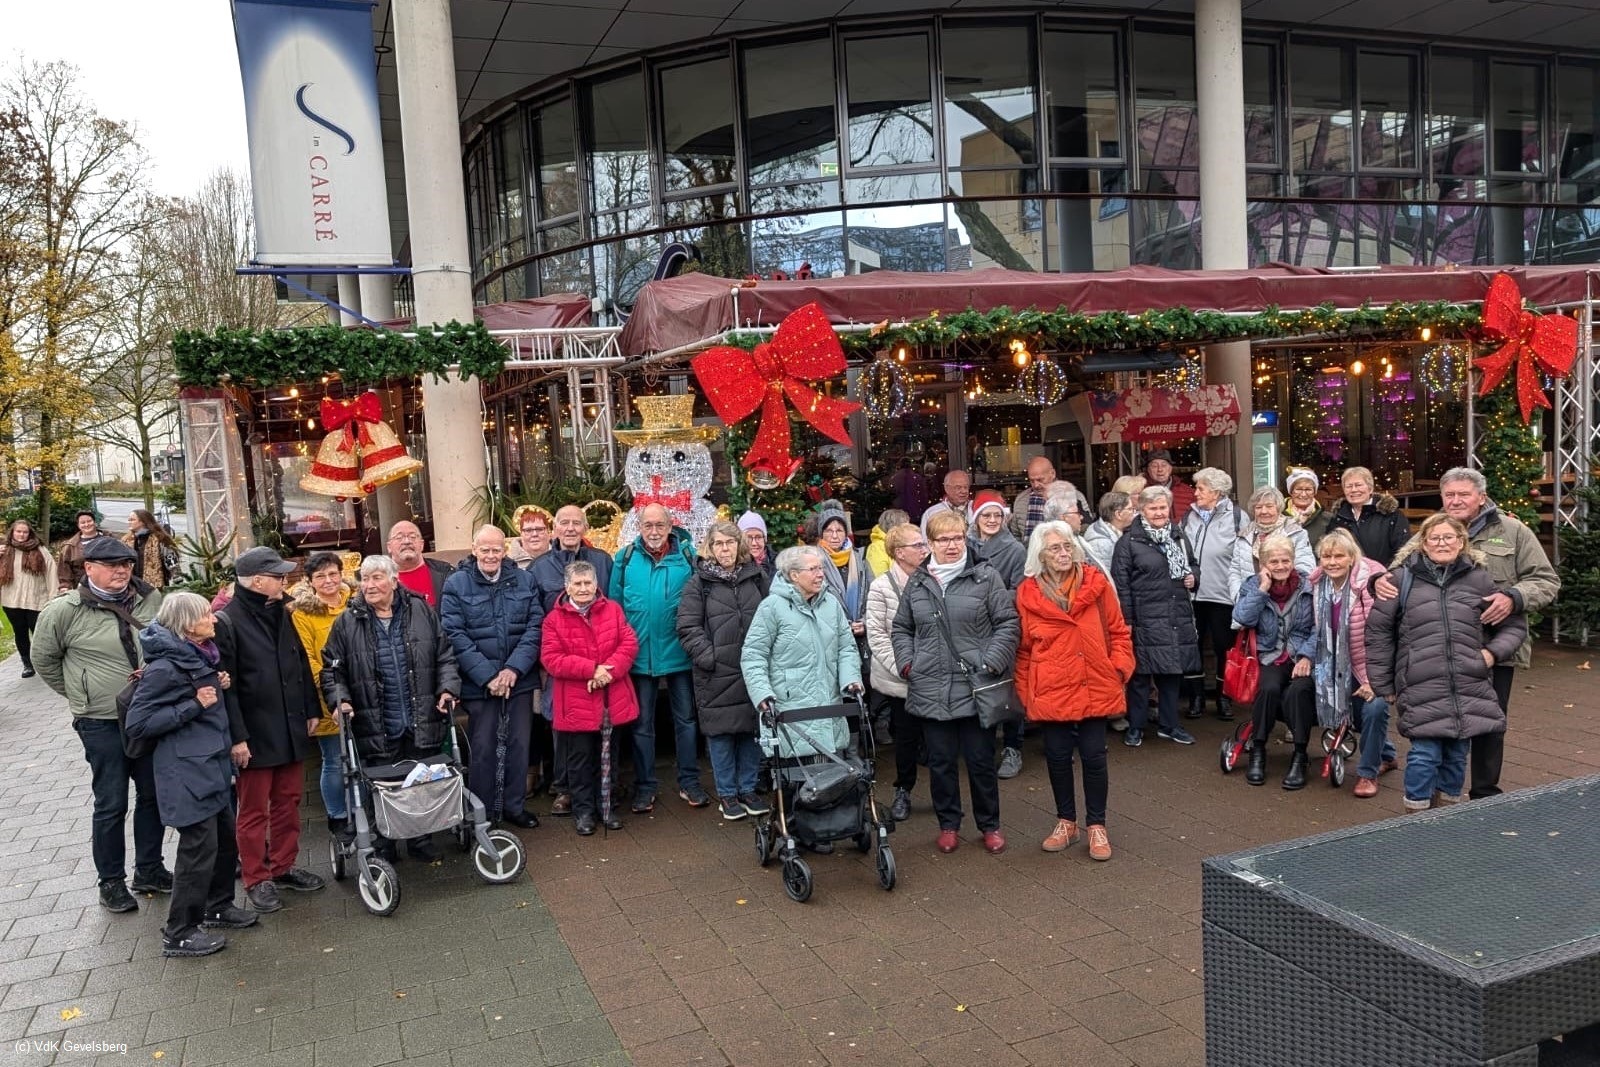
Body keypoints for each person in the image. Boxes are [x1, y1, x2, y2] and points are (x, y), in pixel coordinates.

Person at [1374, 467, 1558, 800]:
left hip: (1496, 649)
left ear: (1481, 497)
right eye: (1449, 495)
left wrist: (1514, 597)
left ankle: (1484, 794)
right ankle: (1441, 793)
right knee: (1440, 726)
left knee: (1488, 723)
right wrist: (1378, 582)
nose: (1456, 500)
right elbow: (1397, 574)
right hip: (1439, 650)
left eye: (1464, 494)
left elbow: (1546, 581)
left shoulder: (1513, 531)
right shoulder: (1432, 531)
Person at [32, 536, 170, 914]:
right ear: (89, 568)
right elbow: (44, 661)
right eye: (112, 565)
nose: (121, 571)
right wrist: (82, 696)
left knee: (152, 796)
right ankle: (111, 882)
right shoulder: (64, 610)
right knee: (111, 803)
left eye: (126, 564)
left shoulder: (148, 598)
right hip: (101, 721)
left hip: (146, 715)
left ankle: (150, 869)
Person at [124, 592, 257, 957]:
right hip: (186, 775)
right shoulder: (166, 667)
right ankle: (179, 931)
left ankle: (218, 906)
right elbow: (139, 722)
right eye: (206, 616)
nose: (214, 620)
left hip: (210, 768)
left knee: (224, 842)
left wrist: (216, 684)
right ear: (186, 625)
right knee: (197, 853)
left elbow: (202, 689)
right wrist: (194, 704)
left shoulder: (199, 655)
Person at [1366, 514, 1528, 812]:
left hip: (1468, 682)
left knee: (1456, 755)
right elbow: (1378, 635)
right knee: (1424, 753)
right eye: (1434, 538)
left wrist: (1491, 654)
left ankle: (1448, 815)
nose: (1442, 543)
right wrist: (1383, 684)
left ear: (1461, 542)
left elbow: (1514, 626)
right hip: (1421, 683)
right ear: (1423, 544)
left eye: (1449, 537)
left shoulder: (1479, 579)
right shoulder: (1400, 580)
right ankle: (1415, 814)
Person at [891, 512, 1019, 856]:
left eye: (957, 538)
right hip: (930, 686)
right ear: (929, 544)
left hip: (976, 685)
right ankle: (949, 824)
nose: (951, 545)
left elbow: (1007, 623)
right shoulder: (917, 583)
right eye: (943, 540)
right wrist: (908, 663)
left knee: (980, 761)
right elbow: (901, 628)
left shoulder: (985, 577)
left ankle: (989, 825)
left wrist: (992, 660)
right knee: (941, 763)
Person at [321, 555, 462, 856]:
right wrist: (340, 700)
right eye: (364, 579)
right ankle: (383, 842)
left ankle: (420, 839)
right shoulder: (347, 621)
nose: (369, 585)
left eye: (376, 578)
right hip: (376, 721)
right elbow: (332, 670)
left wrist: (448, 688)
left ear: (394, 582)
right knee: (381, 784)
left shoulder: (421, 611)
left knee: (418, 782)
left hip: (420, 716)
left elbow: (444, 655)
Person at [1015, 522, 1133, 860]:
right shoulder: (1027, 593)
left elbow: (1118, 631)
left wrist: (1119, 667)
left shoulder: (1096, 585)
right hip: (1051, 686)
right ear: (1040, 554)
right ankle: (1066, 822)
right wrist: (1026, 691)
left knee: (1095, 756)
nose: (1063, 553)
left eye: (1067, 546)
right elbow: (1023, 649)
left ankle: (1097, 825)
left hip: (1094, 681)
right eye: (1055, 548)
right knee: (1057, 757)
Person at [217, 547, 325, 914]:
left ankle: (282, 866)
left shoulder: (281, 610)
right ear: (257, 581)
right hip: (255, 734)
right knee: (253, 811)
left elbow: (299, 662)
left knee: (289, 801)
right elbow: (225, 688)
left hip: (290, 724)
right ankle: (256, 878)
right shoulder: (226, 621)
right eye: (279, 576)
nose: (285, 580)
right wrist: (237, 737)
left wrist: (311, 707)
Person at [741, 544, 864, 854]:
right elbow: (753, 655)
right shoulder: (772, 608)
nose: (820, 573)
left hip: (828, 701)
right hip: (790, 705)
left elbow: (847, 648)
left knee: (831, 768)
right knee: (797, 773)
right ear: (793, 575)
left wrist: (851, 678)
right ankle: (796, 830)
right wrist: (763, 695)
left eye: (821, 567)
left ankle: (825, 826)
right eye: (813, 569)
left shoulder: (831, 605)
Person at [441, 525, 545, 828]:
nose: (490, 555)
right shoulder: (456, 584)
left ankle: (514, 806)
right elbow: (454, 634)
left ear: (506, 550)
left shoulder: (524, 580)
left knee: (519, 745)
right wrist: (488, 676)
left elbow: (535, 627)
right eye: (484, 549)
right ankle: (481, 813)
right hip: (479, 682)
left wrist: (513, 670)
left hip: (519, 679)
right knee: (483, 749)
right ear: (474, 550)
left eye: (496, 549)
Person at [609, 503, 704, 812]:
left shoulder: (687, 557)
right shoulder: (624, 560)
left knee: (687, 721)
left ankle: (689, 781)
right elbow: (614, 609)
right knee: (642, 725)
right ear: (640, 527)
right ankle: (645, 786)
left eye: (659, 525)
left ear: (669, 526)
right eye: (648, 525)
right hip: (640, 655)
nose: (653, 531)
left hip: (679, 652)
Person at [675, 521, 771, 821]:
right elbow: (687, 626)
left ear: (739, 545)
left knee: (751, 730)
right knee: (720, 734)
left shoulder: (757, 578)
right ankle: (727, 794)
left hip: (753, 669)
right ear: (711, 548)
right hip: (716, 671)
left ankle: (748, 788)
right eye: (719, 543)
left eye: (730, 543)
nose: (725, 549)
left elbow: (772, 616)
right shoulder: (698, 583)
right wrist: (709, 657)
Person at [542, 561, 640, 835]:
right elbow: (552, 659)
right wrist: (591, 669)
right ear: (567, 587)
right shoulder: (554, 620)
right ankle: (584, 812)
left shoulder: (613, 610)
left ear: (597, 585)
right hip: (576, 702)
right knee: (580, 760)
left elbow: (629, 643)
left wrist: (609, 671)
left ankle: (606, 808)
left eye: (588, 583)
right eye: (577, 583)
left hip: (611, 696)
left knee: (609, 755)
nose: (583, 588)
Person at [530, 505, 614, 816]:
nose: (569, 528)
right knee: (561, 724)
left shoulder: (603, 562)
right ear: (554, 529)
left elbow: (613, 608)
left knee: (602, 723)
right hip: (562, 662)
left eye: (576, 523)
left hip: (601, 662)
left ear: (585, 527)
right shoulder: (539, 568)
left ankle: (603, 784)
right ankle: (564, 787)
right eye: (563, 522)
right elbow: (534, 615)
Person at [1306, 529, 1397, 798]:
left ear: (1351, 558)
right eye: (1326, 556)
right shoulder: (1317, 584)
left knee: (1374, 708)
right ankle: (1388, 754)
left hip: (1368, 664)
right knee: (1354, 714)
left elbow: (1382, 635)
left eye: (1339, 556)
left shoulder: (1366, 586)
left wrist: (1374, 680)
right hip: (1333, 663)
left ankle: (1368, 773)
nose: (1332, 562)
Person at [1111, 485, 1199, 748]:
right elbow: (1121, 584)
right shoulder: (1128, 542)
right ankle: (1136, 726)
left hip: (1176, 614)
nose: (1159, 512)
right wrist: (1127, 620)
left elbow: (1192, 563)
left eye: (1163, 507)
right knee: (1139, 676)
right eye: (1153, 508)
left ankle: (1169, 725)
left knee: (1171, 674)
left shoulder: (1179, 536)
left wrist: (1195, 576)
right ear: (1142, 510)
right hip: (1145, 617)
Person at [1231, 535, 1318, 789]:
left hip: (1300, 655)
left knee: (1299, 690)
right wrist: (1261, 590)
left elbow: (1319, 627)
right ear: (1263, 563)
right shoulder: (1253, 584)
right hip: (1269, 654)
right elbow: (1241, 618)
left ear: (1293, 560)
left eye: (1285, 560)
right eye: (1274, 561)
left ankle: (1300, 755)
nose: (1280, 566)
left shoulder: (1308, 585)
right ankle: (1258, 749)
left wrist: (1306, 656)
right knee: (1268, 688)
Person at [287, 552, 356, 843]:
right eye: (320, 576)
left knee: (362, 756)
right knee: (334, 758)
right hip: (328, 697)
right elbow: (309, 660)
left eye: (333, 574)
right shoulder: (303, 614)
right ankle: (338, 816)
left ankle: (363, 811)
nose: (328, 581)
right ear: (310, 581)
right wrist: (334, 689)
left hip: (363, 693)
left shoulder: (355, 604)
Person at [865, 522, 929, 824]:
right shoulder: (881, 587)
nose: (924, 549)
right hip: (900, 678)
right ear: (899, 552)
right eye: (917, 545)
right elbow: (876, 635)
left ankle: (945, 796)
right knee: (905, 737)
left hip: (932, 675)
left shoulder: (931, 580)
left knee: (938, 738)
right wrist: (903, 667)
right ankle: (903, 789)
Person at [968, 489, 1026, 779]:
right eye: (986, 515)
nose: (991, 520)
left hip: (1002, 625)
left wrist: (992, 597)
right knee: (981, 685)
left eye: (997, 515)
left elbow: (1021, 588)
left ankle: (1013, 747)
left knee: (1008, 689)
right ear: (976, 518)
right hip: (972, 627)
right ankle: (983, 749)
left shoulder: (1014, 549)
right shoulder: (965, 545)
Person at [1182, 468, 1245, 722]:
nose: (1195, 493)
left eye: (1201, 489)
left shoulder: (1238, 517)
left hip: (1222, 595)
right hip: (1192, 595)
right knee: (1193, 646)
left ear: (1216, 493)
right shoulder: (1189, 515)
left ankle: (1223, 697)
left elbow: (1244, 557)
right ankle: (1196, 697)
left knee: (1224, 648)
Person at [1228, 486, 1315, 600]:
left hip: (1285, 602)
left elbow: (1305, 567)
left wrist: (1291, 596)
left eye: (1269, 506)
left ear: (1278, 508)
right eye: (1258, 507)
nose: (1264, 511)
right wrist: (1239, 597)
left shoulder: (1295, 533)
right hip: (1250, 600)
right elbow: (1235, 571)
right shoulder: (1244, 535)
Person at [812, 504, 870, 675]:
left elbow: (873, 596)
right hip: (830, 640)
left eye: (839, 530)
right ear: (821, 534)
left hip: (861, 639)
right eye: (829, 531)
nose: (835, 536)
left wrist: (865, 622)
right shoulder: (813, 561)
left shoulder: (861, 558)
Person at [1, 518, 56, 678]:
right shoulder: (5, 550)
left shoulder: (39, 549)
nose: (21, 535)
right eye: (18, 531)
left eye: (24, 532)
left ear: (29, 533)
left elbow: (51, 571)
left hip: (36, 598)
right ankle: (27, 664)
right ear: (13, 532)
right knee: (20, 632)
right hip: (11, 600)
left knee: (39, 632)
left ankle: (45, 662)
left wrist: (53, 595)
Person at [1327, 466, 1410, 567]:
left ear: (1370, 488)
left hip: (1383, 578)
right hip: (1348, 579)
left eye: (1358, 485)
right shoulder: (1337, 517)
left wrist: (1384, 575)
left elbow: (1403, 551)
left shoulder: (1392, 516)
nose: (1353, 490)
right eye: (1348, 486)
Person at [387, 520, 453, 610]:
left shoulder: (445, 573)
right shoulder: (377, 580)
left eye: (413, 537)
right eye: (399, 537)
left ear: (422, 545)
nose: (407, 541)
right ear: (389, 547)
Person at [1081, 492, 1135, 586]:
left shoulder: (1116, 532)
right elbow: (1107, 579)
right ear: (1118, 514)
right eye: (1130, 509)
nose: (1134, 513)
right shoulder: (1101, 543)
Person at [123, 508, 180, 589]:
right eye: (129, 520)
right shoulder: (127, 540)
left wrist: (178, 581)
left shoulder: (160, 539)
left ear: (143, 522)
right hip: (132, 587)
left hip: (154, 587)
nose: (129, 522)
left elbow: (171, 561)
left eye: (132, 520)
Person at [1012, 456, 1058, 543]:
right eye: (1032, 481)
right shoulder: (1021, 500)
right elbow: (1015, 534)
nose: (1036, 485)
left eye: (1040, 479)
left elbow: (1083, 531)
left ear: (1053, 474)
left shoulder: (1073, 497)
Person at [56, 510, 105, 591]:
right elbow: (64, 570)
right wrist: (65, 586)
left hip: (105, 587)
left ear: (95, 522)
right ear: (78, 525)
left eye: (89, 521)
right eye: (83, 522)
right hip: (81, 589)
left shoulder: (109, 540)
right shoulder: (70, 546)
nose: (86, 524)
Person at [1284, 468, 1333, 548]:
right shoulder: (1279, 516)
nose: (1303, 494)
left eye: (1308, 489)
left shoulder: (1328, 519)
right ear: (1291, 491)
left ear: (1314, 492)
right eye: (1298, 489)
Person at [1143, 450, 1196, 523]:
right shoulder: (1141, 491)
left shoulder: (1188, 492)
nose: (1160, 469)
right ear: (1148, 470)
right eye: (1154, 466)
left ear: (1170, 468)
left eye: (1164, 465)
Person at [921, 470, 972, 536]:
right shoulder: (932, 513)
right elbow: (926, 541)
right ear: (947, 488)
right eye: (958, 487)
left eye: (966, 487)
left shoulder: (978, 508)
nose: (964, 491)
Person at [864, 508, 908, 578]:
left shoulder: (901, 544)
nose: (909, 531)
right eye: (906, 527)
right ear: (894, 528)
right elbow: (880, 579)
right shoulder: (877, 548)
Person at [506, 504, 554, 569]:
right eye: (528, 530)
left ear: (549, 533)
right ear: (521, 534)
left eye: (539, 529)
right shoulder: (508, 563)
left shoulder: (563, 558)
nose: (534, 534)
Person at [889, 457, 933, 522]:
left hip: (899, 512)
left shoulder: (894, 478)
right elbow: (923, 495)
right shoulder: (917, 478)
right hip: (915, 511)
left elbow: (891, 494)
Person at [738, 511, 776, 582]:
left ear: (764, 539)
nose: (754, 543)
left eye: (758, 537)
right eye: (748, 537)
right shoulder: (733, 567)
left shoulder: (778, 564)